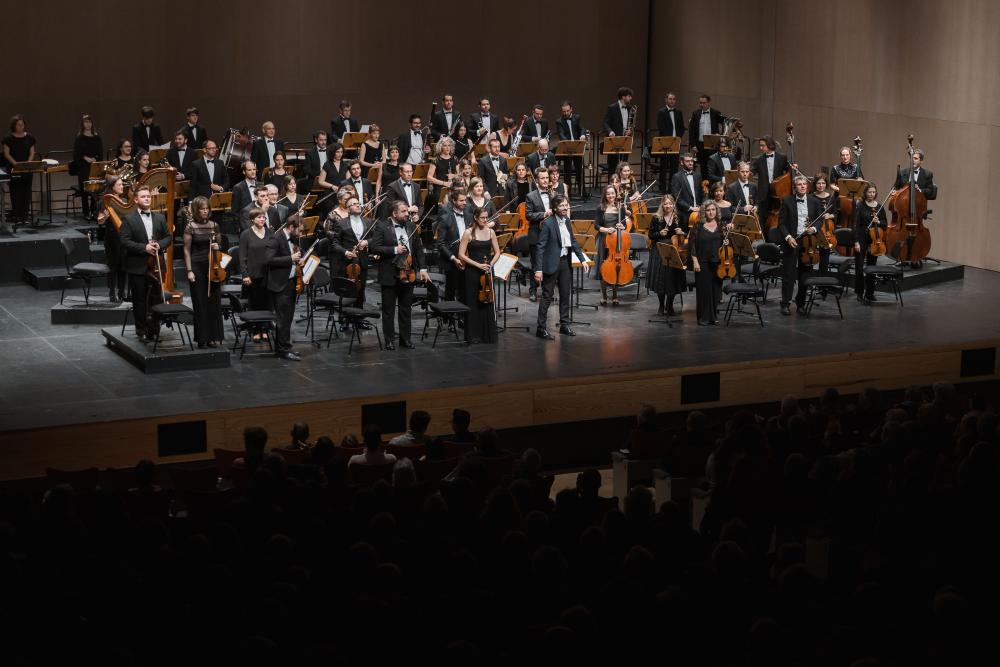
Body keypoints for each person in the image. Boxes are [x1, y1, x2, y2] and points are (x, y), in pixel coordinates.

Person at [371, 201, 430, 350]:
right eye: (403, 211)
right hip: (389, 273)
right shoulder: (382, 226)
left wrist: (423, 268)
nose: (407, 214)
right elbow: (374, 247)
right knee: (388, 309)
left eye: (407, 211)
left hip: (408, 272)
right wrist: (394, 250)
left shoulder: (411, 226)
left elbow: (418, 249)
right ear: (394, 213)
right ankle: (389, 340)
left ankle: (405, 339)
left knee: (406, 308)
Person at [119, 185, 172, 341]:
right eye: (143, 196)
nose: (147, 198)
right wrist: (145, 247)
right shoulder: (129, 219)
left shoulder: (160, 218)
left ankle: (154, 330)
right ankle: (141, 330)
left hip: (156, 266)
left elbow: (168, 237)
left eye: (148, 196)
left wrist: (159, 245)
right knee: (140, 300)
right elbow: (124, 241)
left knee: (156, 299)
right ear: (136, 200)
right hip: (137, 266)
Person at [534, 196, 588, 339]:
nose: (565, 208)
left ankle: (564, 324)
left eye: (566, 205)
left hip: (565, 263)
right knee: (547, 296)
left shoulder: (567, 221)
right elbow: (540, 247)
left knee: (565, 294)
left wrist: (582, 259)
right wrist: (538, 269)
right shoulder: (548, 223)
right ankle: (541, 328)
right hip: (551, 263)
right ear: (555, 208)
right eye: (562, 206)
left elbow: (573, 241)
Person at [183, 196, 225, 348]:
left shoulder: (214, 225)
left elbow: (219, 245)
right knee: (200, 302)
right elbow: (186, 250)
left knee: (214, 302)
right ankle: (202, 338)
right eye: (202, 209)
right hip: (197, 267)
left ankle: (214, 337)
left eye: (207, 208)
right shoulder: (190, 227)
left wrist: (217, 246)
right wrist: (189, 271)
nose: (205, 211)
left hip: (213, 267)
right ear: (196, 210)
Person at [778, 175, 823, 315]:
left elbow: (819, 220)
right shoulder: (787, 201)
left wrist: (814, 229)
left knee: (805, 274)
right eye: (799, 184)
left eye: (804, 184)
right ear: (794, 187)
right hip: (792, 241)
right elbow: (781, 223)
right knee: (789, 274)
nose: (803, 186)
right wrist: (788, 237)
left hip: (808, 242)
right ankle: (785, 303)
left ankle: (801, 303)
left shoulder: (815, 202)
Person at [457, 206, 500, 343]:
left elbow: (497, 252)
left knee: (487, 302)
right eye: (482, 218)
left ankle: (486, 335)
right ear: (475, 218)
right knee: (473, 302)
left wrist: (490, 265)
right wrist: (478, 265)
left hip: (487, 271)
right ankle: (473, 335)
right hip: (472, 272)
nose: (485, 220)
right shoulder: (468, 233)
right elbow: (461, 255)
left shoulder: (491, 232)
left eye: (487, 217)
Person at [264, 216, 304, 361]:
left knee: (288, 318)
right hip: (280, 284)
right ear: (291, 227)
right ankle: (283, 350)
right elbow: (269, 260)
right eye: (299, 231)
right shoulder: (276, 238)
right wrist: (290, 259)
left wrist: (301, 259)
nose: (301, 234)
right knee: (282, 319)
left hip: (291, 282)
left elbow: (297, 255)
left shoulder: (293, 239)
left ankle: (285, 347)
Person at [891, 147, 937, 267]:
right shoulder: (903, 172)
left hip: (917, 210)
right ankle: (901, 257)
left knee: (916, 232)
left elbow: (930, 191)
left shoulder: (927, 174)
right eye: (912, 158)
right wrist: (894, 192)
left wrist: (920, 190)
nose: (913, 161)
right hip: (904, 210)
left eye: (916, 158)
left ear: (921, 160)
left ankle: (916, 256)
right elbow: (896, 187)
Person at [328, 195, 375, 307]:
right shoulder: (341, 223)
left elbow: (376, 238)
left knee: (360, 290)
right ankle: (345, 315)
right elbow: (335, 244)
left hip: (362, 261)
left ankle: (358, 314)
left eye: (358, 203)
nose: (358, 205)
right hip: (347, 263)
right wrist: (345, 252)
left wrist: (367, 242)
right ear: (348, 209)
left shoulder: (368, 222)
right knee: (347, 291)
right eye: (354, 204)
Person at [689, 200, 730, 325]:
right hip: (702, 262)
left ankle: (713, 317)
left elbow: (726, 244)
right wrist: (695, 261)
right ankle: (703, 318)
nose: (711, 212)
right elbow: (692, 245)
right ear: (704, 212)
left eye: (713, 209)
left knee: (716, 291)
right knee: (704, 291)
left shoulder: (721, 225)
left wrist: (727, 242)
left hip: (717, 263)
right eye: (708, 210)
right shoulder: (698, 226)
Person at [647, 194, 688, 316]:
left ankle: (669, 305)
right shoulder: (656, 218)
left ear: (673, 204)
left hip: (674, 250)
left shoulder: (678, 217)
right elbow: (650, 235)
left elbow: (687, 233)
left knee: (673, 279)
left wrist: (682, 232)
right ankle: (661, 305)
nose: (668, 206)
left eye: (670, 203)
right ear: (662, 205)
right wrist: (659, 233)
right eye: (665, 204)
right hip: (660, 250)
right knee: (661, 279)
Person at [592, 184, 632, 305]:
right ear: (605, 195)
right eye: (608, 193)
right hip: (603, 240)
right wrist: (606, 229)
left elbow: (624, 225)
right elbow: (596, 225)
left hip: (616, 241)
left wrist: (622, 226)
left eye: (612, 193)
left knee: (616, 266)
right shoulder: (600, 208)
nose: (611, 196)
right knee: (603, 267)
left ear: (616, 194)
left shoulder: (620, 208)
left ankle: (615, 295)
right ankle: (604, 295)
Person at [853, 183, 887, 302]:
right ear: (865, 193)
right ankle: (859, 292)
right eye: (869, 192)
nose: (871, 194)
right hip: (861, 238)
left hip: (875, 240)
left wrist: (879, 222)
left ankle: (870, 293)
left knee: (872, 266)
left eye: (873, 192)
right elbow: (855, 225)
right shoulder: (860, 205)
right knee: (859, 266)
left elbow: (885, 225)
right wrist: (856, 241)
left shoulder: (879, 207)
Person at [95, 175, 127, 302]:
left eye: (122, 184)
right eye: (119, 185)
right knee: (113, 266)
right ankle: (112, 292)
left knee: (123, 266)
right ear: (112, 187)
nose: (122, 187)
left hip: (124, 238)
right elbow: (99, 221)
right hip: (112, 238)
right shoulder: (105, 201)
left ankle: (122, 292)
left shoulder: (124, 200)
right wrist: (105, 217)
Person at [435, 190, 471, 301]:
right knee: (451, 291)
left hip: (467, 257)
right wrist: (453, 258)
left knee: (466, 290)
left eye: (465, 200)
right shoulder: (445, 218)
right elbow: (440, 244)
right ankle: (450, 311)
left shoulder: (469, 216)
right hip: (452, 259)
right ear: (454, 201)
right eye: (461, 200)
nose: (464, 203)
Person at [3, 115, 37, 222]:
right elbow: (6, 154)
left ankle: (24, 216)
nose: (21, 126)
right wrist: (16, 164)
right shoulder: (8, 139)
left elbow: (32, 152)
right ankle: (17, 215)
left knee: (26, 192)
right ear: (14, 125)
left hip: (27, 169)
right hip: (14, 168)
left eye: (22, 124)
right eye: (18, 124)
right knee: (15, 192)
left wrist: (27, 164)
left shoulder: (30, 137)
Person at [752, 135, 792, 227]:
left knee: (779, 215)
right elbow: (752, 171)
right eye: (760, 145)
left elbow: (788, 172)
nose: (760, 148)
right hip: (764, 193)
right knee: (764, 217)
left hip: (778, 193)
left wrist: (792, 168)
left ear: (769, 145)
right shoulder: (758, 159)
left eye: (763, 145)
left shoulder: (782, 157)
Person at [239, 207, 273, 311]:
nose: (262, 219)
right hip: (253, 275)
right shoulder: (246, 234)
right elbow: (242, 256)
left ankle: (267, 320)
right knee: (255, 304)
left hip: (268, 274)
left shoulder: (269, 232)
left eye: (263, 217)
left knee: (268, 304)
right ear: (252, 219)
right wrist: (245, 275)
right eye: (259, 217)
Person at [72, 114, 103, 220]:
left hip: (94, 166)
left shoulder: (97, 137)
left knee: (95, 189)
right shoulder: (79, 138)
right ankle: (86, 212)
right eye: (86, 122)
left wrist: (95, 159)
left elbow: (100, 153)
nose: (88, 124)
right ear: (82, 124)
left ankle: (94, 211)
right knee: (84, 190)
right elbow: (76, 155)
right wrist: (85, 158)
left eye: (90, 122)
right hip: (83, 167)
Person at [556, 100, 588, 196]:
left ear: (571, 109)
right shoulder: (559, 121)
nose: (565, 113)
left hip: (577, 147)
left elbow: (582, 128)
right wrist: (568, 144)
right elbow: (561, 134)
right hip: (567, 148)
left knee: (579, 170)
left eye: (567, 111)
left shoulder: (577, 117)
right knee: (567, 172)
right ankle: (567, 193)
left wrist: (582, 135)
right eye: (564, 111)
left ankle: (582, 191)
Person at [656, 92, 685, 193]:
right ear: (666, 100)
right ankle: (662, 189)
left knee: (674, 167)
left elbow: (682, 127)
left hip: (676, 144)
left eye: (673, 99)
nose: (672, 101)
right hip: (665, 143)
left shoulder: (679, 112)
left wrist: (678, 139)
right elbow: (661, 127)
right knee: (663, 166)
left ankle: (672, 188)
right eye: (670, 99)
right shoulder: (661, 112)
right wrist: (668, 140)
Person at [687, 94, 724, 175]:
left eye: (704, 103)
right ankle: (704, 183)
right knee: (703, 167)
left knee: (712, 166)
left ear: (708, 103)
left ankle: (712, 183)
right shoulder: (695, 113)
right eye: (700, 103)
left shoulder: (715, 113)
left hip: (712, 145)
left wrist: (720, 136)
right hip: (700, 144)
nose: (702, 105)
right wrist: (693, 145)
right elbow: (691, 130)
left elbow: (724, 123)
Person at [602, 86, 634, 176]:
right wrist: (610, 131)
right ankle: (612, 184)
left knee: (624, 165)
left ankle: (623, 183)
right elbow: (605, 122)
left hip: (625, 140)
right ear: (623, 97)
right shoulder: (612, 107)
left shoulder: (630, 108)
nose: (630, 98)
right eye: (629, 96)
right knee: (613, 165)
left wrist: (630, 131)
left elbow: (631, 124)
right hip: (614, 140)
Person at [811, 173, 838, 272]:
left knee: (825, 253)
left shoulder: (831, 197)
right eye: (818, 183)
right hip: (814, 228)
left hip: (827, 229)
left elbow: (836, 213)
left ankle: (823, 274)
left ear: (826, 184)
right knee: (811, 252)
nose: (821, 185)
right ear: (815, 184)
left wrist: (829, 216)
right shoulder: (810, 197)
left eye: (823, 183)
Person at [425, 137, 458, 208]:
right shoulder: (436, 160)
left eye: (449, 145)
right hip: (440, 188)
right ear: (441, 147)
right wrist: (444, 183)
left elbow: (460, 175)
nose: (447, 148)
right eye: (445, 145)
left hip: (452, 187)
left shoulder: (455, 159)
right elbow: (429, 177)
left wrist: (454, 176)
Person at [671, 153, 703, 225]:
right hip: (684, 213)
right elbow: (677, 197)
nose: (690, 163)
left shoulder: (698, 175)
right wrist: (690, 208)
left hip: (698, 211)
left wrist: (701, 206)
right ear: (682, 163)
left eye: (691, 161)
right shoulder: (677, 177)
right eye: (687, 161)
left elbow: (702, 193)